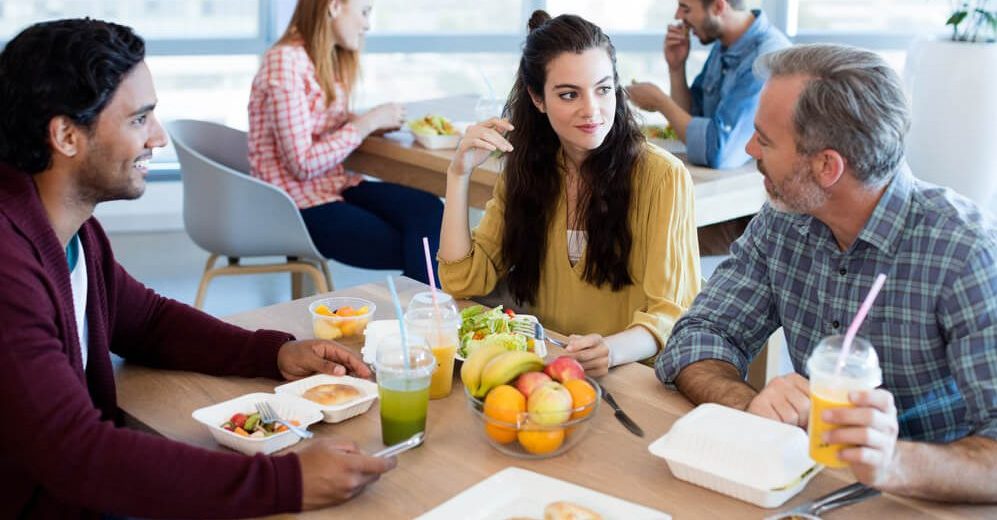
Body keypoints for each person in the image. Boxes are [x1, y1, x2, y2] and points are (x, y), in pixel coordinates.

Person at [0, 19, 394, 518]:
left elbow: (148, 322)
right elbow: (78, 454)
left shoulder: (73, 234)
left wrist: (276, 354)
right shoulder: (8, 263)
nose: (158, 137)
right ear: (66, 135)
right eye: (140, 119)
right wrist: (283, 481)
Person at [656, 44, 997, 502]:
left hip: (927, 504)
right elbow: (698, 336)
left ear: (826, 166)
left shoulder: (966, 253)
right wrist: (749, 403)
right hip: (809, 489)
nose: (749, 148)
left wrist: (893, 461)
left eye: (766, 140)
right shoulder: (784, 220)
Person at [438, 11, 701, 377]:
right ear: (538, 98)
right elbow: (462, 280)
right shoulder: (526, 169)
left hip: (630, 376)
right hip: (544, 368)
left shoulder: (663, 177)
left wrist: (609, 349)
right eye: (568, 94)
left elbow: (672, 313)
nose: (592, 110)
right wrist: (458, 174)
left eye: (603, 89)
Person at [248, 0, 443, 285]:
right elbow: (302, 164)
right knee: (418, 246)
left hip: (334, 186)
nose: (367, 24)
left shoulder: (324, 59)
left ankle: (422, 314)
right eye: (365, 11)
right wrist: (366, 123)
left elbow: (317, 121)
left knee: (428, 209)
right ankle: (426, 318)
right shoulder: (285, 61)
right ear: (334, 7)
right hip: (296, 204)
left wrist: (365, 124)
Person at [627, 0, 790, 170]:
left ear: (719, 7)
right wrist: (676, 68)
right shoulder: (723, 46)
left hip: (752, 188)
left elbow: (718, 151)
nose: (678, 16)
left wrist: (661, 102)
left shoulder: (764, 59)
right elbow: (692, 119)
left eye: (685, 8)